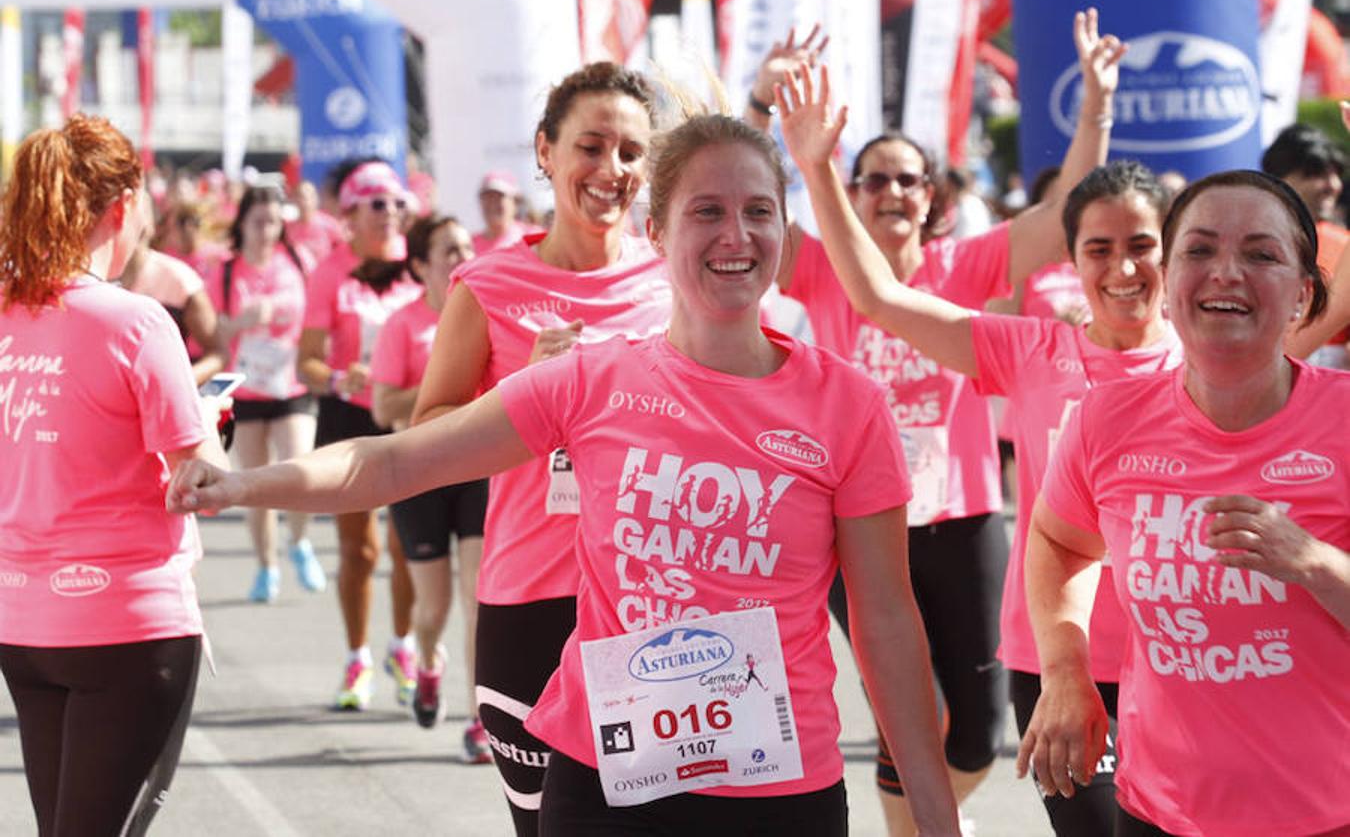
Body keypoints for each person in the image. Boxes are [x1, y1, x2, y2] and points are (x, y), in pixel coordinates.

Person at [167, 110, 965, 837]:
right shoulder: (591, 381)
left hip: (781, 795)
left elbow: (885, 621)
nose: (736, 235)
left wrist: (935, 815)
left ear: (784, 232)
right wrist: (236, 483)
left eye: (759, 211)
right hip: (607, 790)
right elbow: (391, 462)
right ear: (657, 232)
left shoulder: (847, 405)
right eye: (707, 211)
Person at [778, 62, 1181, 834]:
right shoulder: (1031, 352)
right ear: (1072, 262)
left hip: (1182, 653)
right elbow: (879, 300)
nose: (1122, 269)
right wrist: (815, 164)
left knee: (976, 743)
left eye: (1143, 246)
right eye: (1098, 250)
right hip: (1059, 659)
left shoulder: (1209, 364)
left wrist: (1094, 101)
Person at [1016, 170, 1350, 837]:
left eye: (1261, 254)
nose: (1226, 272)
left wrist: (1314, 562)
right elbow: (1058, 541)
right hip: (1159, 814)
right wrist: (1065, 669)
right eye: (1199, 251)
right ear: (1168, 286)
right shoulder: (1107, 418)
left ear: (1303, 295)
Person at [409, 62, 671, 835]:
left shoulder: (673, 281)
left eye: (630, 153)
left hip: (654, 603)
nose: (610, 170)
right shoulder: (488, 286)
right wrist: (520, 392)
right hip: (530, 600)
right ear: (545, 151)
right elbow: (426, 437)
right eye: (591, 146)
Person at [0, 114, 228, 835]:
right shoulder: (135, 322)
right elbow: (204, 481)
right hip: (126, 624)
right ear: (122, 209)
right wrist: (213, 422)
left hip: (22, 623)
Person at [298, 159, 424, 710]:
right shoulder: (330, 272)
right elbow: (306, 363)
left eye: (398, 203)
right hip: (349, 415)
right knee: (360, 550)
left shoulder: (417, 264)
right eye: (378, 204)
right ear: (349, 214)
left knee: (406, 545)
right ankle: (356, 658)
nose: (391, 214)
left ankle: (403, 646)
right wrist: (337, 375)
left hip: (403, 415)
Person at [370, 215, 491, 762]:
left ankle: (480, 721)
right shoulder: (402, 325)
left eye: (466, 245)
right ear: (421, 266)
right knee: (433, 606)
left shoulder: (487, 312)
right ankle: (426, 661)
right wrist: (443, 383)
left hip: (478, 469)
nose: (461, 255)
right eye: (449, 249)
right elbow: (384, 407)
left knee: (477, 600)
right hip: (419, 473)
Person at [209, 186, 325, 602]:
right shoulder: (224, 271)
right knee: (255, 488)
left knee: (299, 472)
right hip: (244, 390)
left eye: (274, 222)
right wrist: (238, 322)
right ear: (241, 223)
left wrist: (273, 310)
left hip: (289, 384)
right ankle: (266, 565)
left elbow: (314, 313)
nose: (266, 230)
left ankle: (299, 541)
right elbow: (212, 330)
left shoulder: (296, 262)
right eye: (258, 221)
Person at [1261, 120, 1349, 369]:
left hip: (1331, 387)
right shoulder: (1242, 244)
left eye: (1336, 173)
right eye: (1315, 174)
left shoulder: (1343, 244)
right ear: (1279, 178)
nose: (1333, 185)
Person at [117, 206, 226, 387]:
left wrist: (177, 385)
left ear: (151, 225)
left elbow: (218, 352)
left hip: (161, 404)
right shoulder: (92, 274)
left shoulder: (180, 279)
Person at [472, 170, 530, 256]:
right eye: (488, 197)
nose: (492, 204)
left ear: (514, 202)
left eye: (499, 197)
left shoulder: (534, 238)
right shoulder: (469, 246)